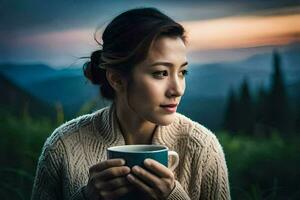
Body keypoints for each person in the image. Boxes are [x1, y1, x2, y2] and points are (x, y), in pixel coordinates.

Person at [31, 7, 230, 200]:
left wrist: (172, 197)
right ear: (117, 79)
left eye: (182, 72)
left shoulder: (203, 148)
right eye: (160, 73)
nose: (177, 89)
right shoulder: (63, 146)